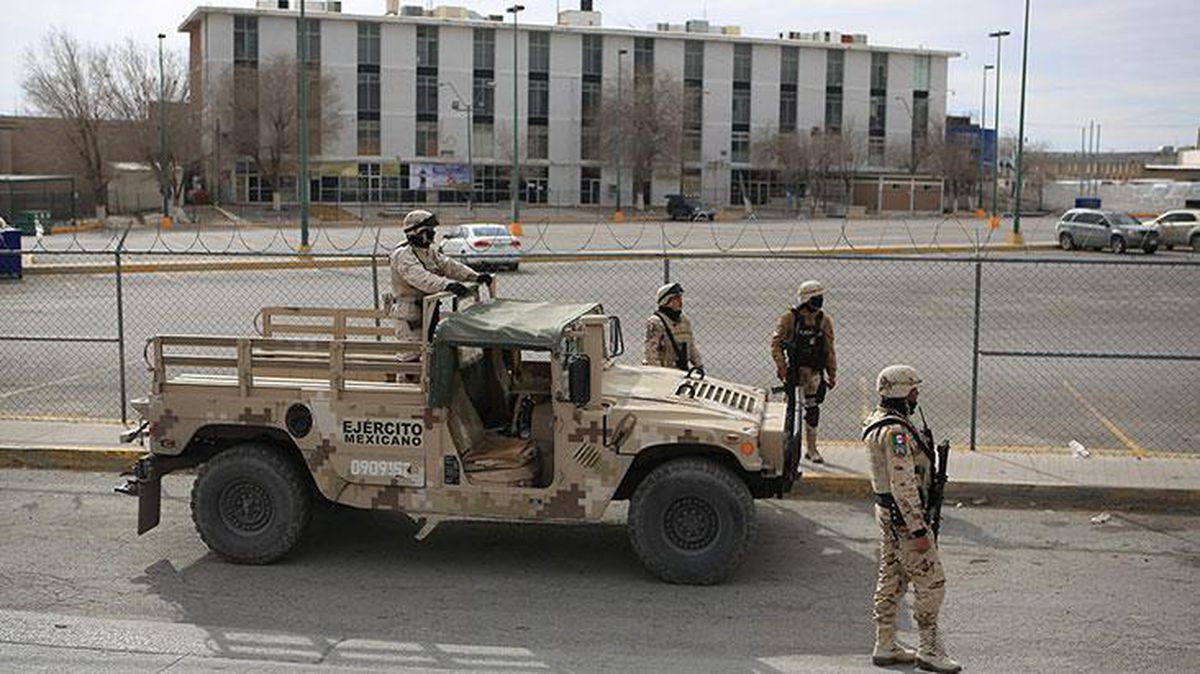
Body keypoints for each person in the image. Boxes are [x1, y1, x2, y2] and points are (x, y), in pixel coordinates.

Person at [863, 365, 960, 673]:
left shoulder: (877, 422)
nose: (917, 396)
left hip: (888, 516)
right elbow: (903, 484)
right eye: (913, 390)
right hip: (905, 520)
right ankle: (929, 649)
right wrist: (919, 529)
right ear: (900, 393)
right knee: (932, 581)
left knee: (891, 576)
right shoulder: (896, 433)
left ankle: (885, 643)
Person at [387, 209, 490, 348]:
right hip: (409, 314)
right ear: (419, 232)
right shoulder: (403, 254)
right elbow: (420, 277)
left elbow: (448, 265)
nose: (433, 233)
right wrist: (447, 285)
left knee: (430, 351)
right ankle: (404, 370)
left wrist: (474, 276)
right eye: (430, 230)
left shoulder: (428, 252)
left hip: (429, 309)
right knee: (411, 355)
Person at [770, 280, 837, 463]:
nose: (820, 301)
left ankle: (812, 448)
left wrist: (832, 373)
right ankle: (786, 448)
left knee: (813, 410)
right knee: (789, 411)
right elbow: (776, 344)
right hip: (794, 372)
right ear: (806, 299)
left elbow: (829, 349)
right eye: (817, 297)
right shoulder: (789, 318)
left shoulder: (824, 321)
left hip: (814, 374)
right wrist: (781, 365)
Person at [643, 282, 703, 373]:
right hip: (666, 374)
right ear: (666, 301)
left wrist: (699, 365)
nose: (680, 302)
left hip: (682, 371)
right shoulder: (656, 322)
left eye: (680, 298)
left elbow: (691, 346)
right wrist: (658, 374)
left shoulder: (684, 320)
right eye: (676, 299)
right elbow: (651, 353)